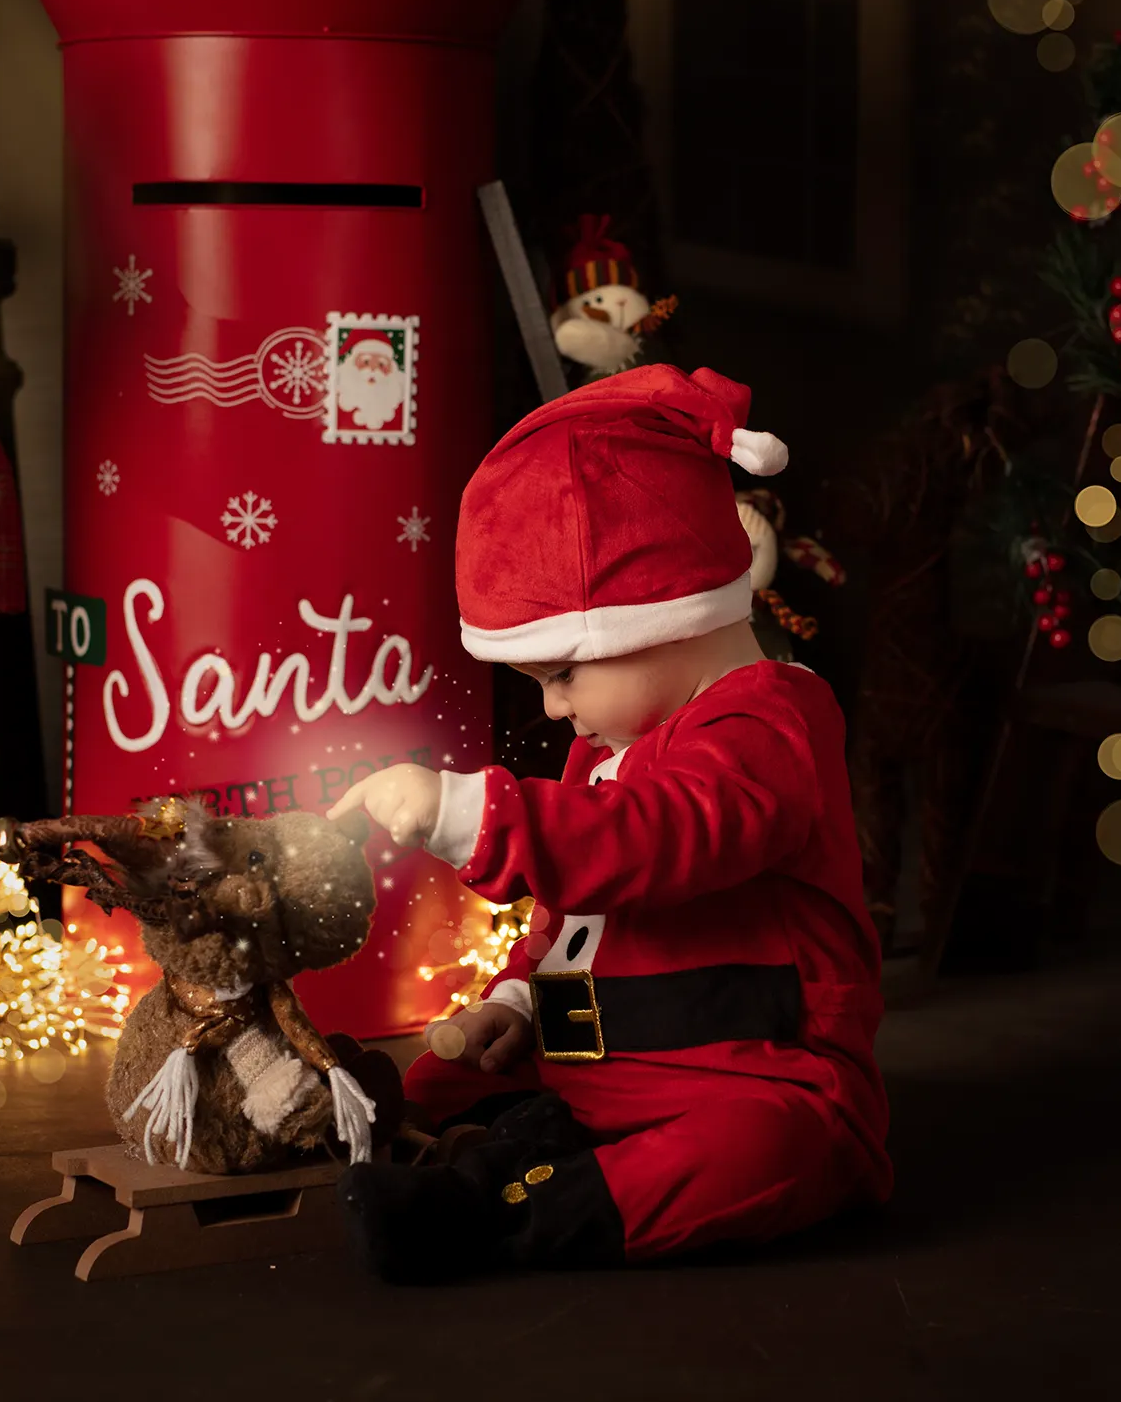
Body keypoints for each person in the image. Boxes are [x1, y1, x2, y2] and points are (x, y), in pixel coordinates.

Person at [327, 364, 892, 1282]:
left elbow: (657, 839)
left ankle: (504, 1208)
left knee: (773, 1147)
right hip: (609, 1059)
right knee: (442, 1073)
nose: (554, 712)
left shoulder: (771, 726)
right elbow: (571, 924)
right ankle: (473, 1140)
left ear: (656, 622)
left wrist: (467, 810)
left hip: (751, 1073)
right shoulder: (612, 743)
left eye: (562, 676)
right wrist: (514, 999)